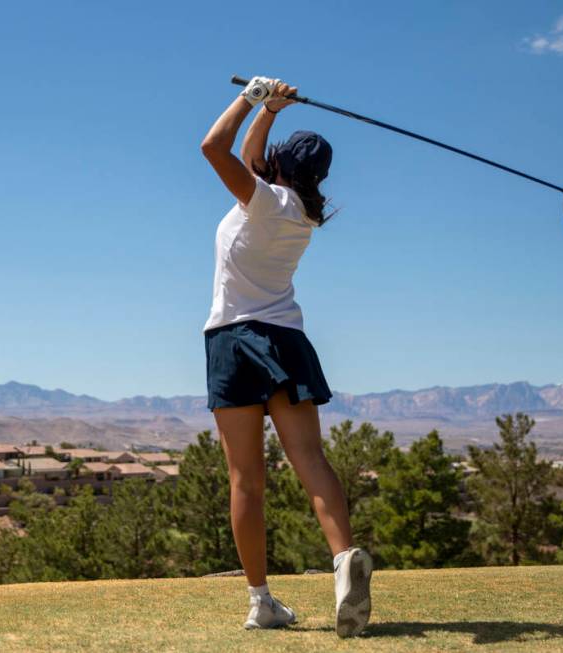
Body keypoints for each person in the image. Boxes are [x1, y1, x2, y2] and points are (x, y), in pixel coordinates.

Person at [200, 76, 373, 638]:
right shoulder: (302, 213)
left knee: (246, 479)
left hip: (233, 340)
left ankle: (261, 601)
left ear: (280, 168)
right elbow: (252, 157)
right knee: (312, 461)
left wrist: (249, 99)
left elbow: (214, 149)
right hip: (287, 341)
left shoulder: (264, 200)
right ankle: (345, 559)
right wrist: (272, 109)